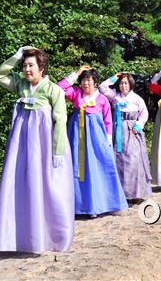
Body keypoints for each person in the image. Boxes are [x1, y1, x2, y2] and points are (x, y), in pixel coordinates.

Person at [0, 46, 74, 252]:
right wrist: (17, 54)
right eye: (25, 65)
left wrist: (57, 151)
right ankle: (22, 237)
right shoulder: (21, 86)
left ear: (42, 68)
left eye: (31, 65)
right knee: (21, 186)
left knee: (47, 189)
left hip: (44, 148)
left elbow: (60, 121)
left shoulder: (53, 90)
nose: (27, 69)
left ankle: (49, 238)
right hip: (22, 148)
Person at [58, 66, 128, 216]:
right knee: (78, 167)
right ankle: (80, 207)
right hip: (77, 138)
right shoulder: (76, 94)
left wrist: (108, 140)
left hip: (97, 140)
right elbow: (60, 87)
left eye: (89, 80)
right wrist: (76, 73)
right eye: (83, 80)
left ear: (95, 82)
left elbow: (108, 120)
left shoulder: (102, 100)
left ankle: (105, 204)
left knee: (100, 168)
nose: (86, 83)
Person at [98, 72, 152, 201]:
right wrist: (114, 77)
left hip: (132, 132)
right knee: (119, 161)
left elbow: (144, 113)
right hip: (118, 132)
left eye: (126, 83)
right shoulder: (115, 97)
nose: (123, 86)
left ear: (131, 84)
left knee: (133, 160)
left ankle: (136, 193)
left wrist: (138, 125)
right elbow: (102, 87)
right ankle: (121, 193)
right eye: (121, 83)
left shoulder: (137, 99)